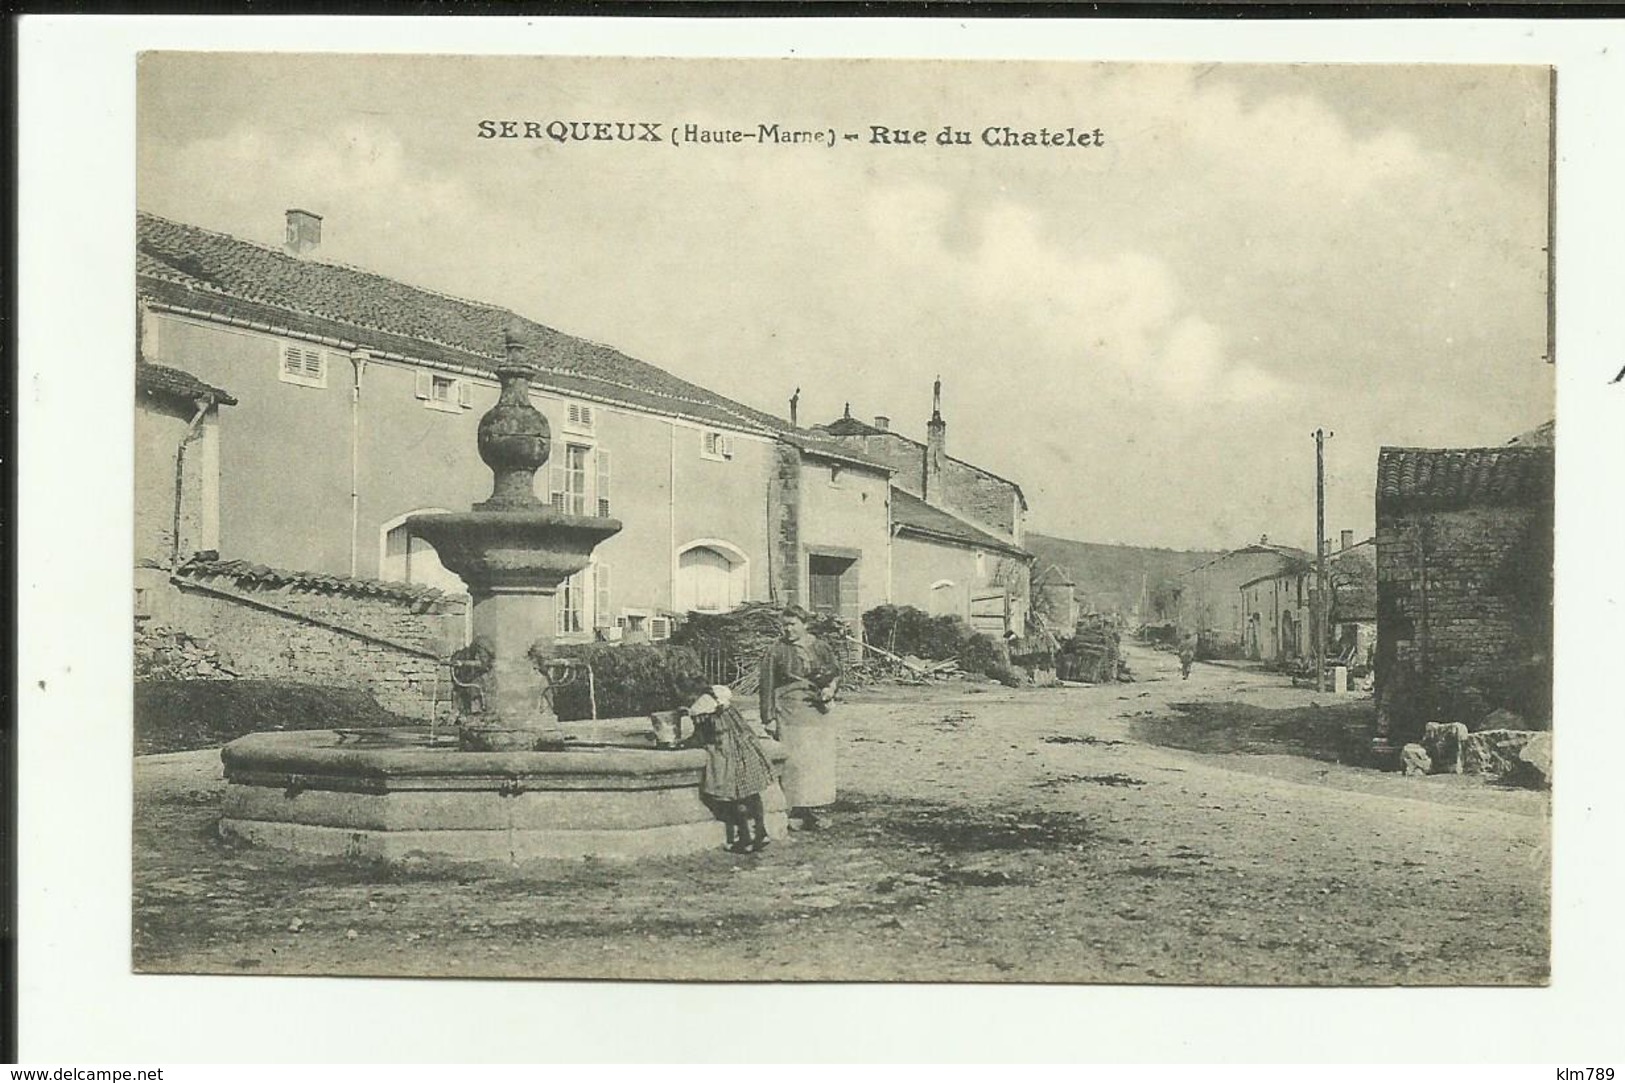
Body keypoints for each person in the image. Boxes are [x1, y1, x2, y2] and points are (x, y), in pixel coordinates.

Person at [758, 605, 842, 831]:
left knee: (818, 761)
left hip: (819, 711)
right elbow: (766, 685)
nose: (788, 630)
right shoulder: (776, 650)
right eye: (784, 625)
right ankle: (795, 810)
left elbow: (835, 672)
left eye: (793, 624)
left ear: (805, 624)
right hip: (789, 711)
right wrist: (768, 718)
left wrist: (830, 690)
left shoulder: (821, 646)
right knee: (795, 762)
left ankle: (816, 809)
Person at [684, 682, 776, 853]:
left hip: (726, 754)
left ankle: (745, 839)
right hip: (746, 748)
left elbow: (701, 737)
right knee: (751, 792)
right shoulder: (725, 703)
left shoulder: (703, 712)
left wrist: (684, 744)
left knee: (734, 796)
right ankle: (761, 832)